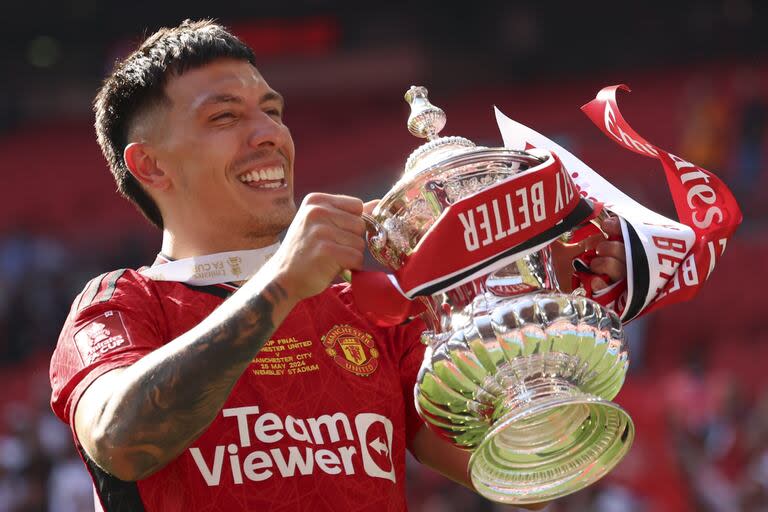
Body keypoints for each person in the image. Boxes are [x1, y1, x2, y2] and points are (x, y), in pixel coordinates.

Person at [49, 19, 627, 511]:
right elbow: (120, 439)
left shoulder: (370, 310)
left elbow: (524, 466)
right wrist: (279, 284)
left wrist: (543, 310)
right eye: (225, 118)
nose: (269, 134)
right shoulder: (120, 304)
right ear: (149, 165)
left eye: (272, 111)